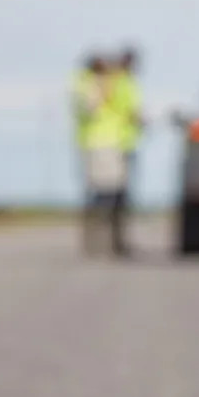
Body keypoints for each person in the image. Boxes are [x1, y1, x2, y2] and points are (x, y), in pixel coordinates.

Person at [71, 54, 129, 256]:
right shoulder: (85, 85)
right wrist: (103, 89)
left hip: (111, 144)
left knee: (113, 192)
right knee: (100, 194)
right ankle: (95, 239)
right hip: (97, 144)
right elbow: (91, 109)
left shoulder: (102, 83)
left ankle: (105, 240)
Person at [108, 47, 145, 242]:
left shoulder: (112, 82)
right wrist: (141, 121)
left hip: (117, 143)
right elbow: (133, 113)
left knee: (115, 193)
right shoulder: (123, 83)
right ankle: (118, 238)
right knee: (119, 195)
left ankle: (116, 237)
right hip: (121, 144)